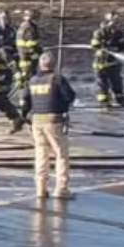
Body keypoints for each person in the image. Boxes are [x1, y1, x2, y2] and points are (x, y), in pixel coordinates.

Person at [21, 52, 76, 200]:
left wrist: (24, 117)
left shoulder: (32, 80)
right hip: (54, 121)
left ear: (40, 64)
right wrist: (64, 107)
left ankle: (40, 188)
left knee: (41, 154)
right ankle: (61, 189)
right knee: (61, 154)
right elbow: (70, 96)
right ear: (53, 64)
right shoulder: (57, 79)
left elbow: (25, 101)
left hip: (36, 121)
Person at [90, 11, 124, 107]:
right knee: (103, 86)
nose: (115, 24)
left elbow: (122, 46)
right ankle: (104, 103)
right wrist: (102, 47)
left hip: (113, 64)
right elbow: (95, 44)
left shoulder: (118, 33)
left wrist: (116, 48)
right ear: (106, 21)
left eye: (116, 22)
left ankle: (120, 100)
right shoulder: (98, 32)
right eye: (113, 21)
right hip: (100, 64)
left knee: (117, 83)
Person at [15, 9, 43, 103]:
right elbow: (30, 45)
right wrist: (38, 55)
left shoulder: (23, 26)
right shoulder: (29, 27)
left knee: (25, 82)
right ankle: (25, 105)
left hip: (24, 59)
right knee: (28, 83)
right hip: (29, 60)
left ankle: (25, 103)